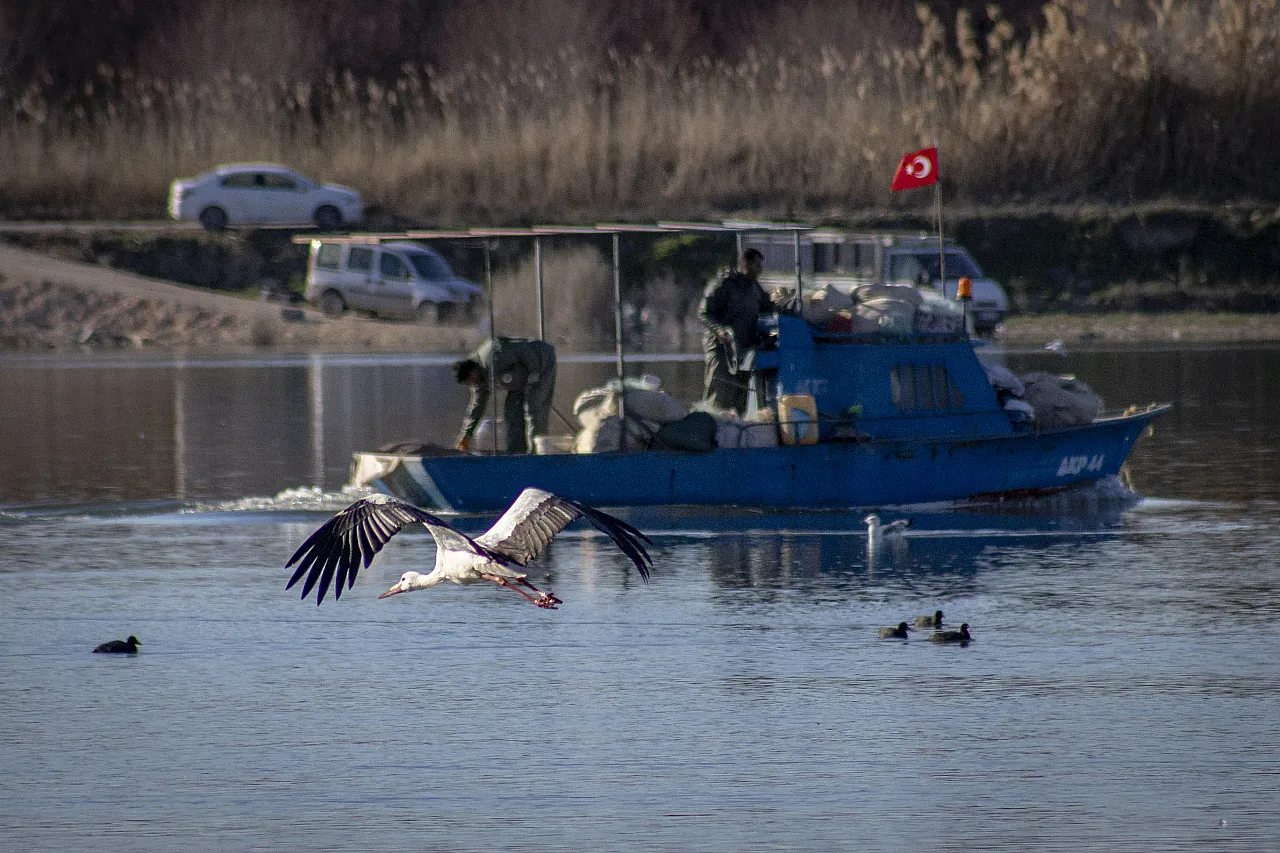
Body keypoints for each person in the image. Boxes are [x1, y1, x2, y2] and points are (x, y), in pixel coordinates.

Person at [698, 248, 775, 415]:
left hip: (744, 351)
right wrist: (719, 330)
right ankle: (711, 428)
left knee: (740, 399)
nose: (759, 270)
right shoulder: (724, 284)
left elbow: (768, 307)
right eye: (756, 265)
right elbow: (703, 313)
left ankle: (735, 433)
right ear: (745, 264)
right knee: (719, 395)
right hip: (721, 349)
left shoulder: (754, 289)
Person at [454, 337, 557, 454]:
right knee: (512, 413)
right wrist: (467, 434)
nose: (473, 384)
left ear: (473, 371)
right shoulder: (478, 381)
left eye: (471, 380)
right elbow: (477, 406)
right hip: (518, 379)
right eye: (469, 384)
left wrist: (533, 374)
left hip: (541, 362)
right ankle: (516, 453)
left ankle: (536, 452)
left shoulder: (494, 357)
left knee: (534, 407)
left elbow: (522, 351)